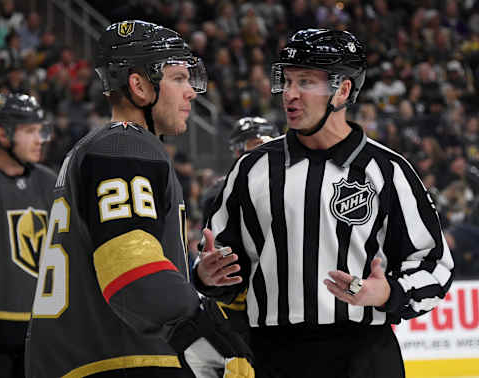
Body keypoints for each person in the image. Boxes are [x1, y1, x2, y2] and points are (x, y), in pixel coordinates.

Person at [193, 29, 454, 378]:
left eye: (305, 82)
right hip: (273, 356)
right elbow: (223, 263)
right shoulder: (252, 169)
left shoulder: (388, 171)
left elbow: (434, 265)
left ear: (343, 90)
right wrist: (207, 276)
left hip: (365, 355)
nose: (290, 94)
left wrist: (388, 292)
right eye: (286, 81)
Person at [25, 20, 253, 378]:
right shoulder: (126, 147)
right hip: (118, 360)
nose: (191, 92)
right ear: (139, 85)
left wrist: (192, 277)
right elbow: (132, 274)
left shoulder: (102, 147)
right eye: (178, 78)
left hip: (86, 358)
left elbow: (110, 260)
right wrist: (208, 338)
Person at [200, 116, 280, 343]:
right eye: (253, 144)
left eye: (265, 142)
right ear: (237, 151)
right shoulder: (221, 192)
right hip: (241, 297)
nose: (261, 149)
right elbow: (216, 249)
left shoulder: (296, 184)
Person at [0, 93, 56, 378]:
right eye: (30, 132)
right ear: (3, 134)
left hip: (43, 325)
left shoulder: (49, 181)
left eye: (41, 131)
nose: (40, 139)